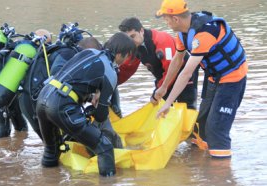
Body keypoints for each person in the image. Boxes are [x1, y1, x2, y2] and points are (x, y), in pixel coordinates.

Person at [154, 0, 247, 158]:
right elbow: (177, 61)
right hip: (213, 78)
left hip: (232, 79)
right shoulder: (183, 34)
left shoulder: (204, 33)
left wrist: (168, 103)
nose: (166, 22)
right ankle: (203, 169)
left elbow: (186, 73)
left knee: (216, 129)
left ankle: (221, 177)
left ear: (175, 19)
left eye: (166, 18)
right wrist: (163, 87)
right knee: (200, 124)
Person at [36, 32, 136, 176]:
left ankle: (48, 185)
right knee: (105, 147)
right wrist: (94, 110)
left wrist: (90, 97)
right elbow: (101, 116)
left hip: (43, 97)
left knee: (52, 151)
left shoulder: (89, 52)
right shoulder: (110, 72)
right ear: (120, 54)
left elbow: (72, 79)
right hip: (61, 105)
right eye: (127, 56)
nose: (126, 60)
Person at [118, 17, 198, 109]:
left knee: (187, 107)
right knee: (159, 108)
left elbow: (171, 68)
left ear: (141, 31)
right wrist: (111, 83)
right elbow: (126, 69)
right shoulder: (134, 46)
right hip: (163, 80)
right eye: (128, 39)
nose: (131, 41)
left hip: (184, 75)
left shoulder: (161, 40)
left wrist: (159, 88)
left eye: (133, 36)